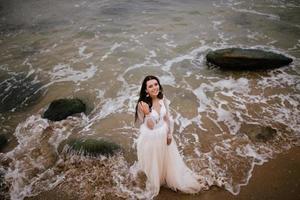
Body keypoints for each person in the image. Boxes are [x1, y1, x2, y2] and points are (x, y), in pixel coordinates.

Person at [135, 75, 203, 198]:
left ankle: (166, 176)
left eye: (156, 84)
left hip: (164, 133)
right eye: (150, 86)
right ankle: (157, 180)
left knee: (167, 159)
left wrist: (169, 133)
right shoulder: (142, 105)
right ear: (146, 90)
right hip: (151, 138)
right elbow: (150, 126)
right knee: (155, 162)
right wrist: (148, 113)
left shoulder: (162, 98)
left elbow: (167, 118)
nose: (154, 87)